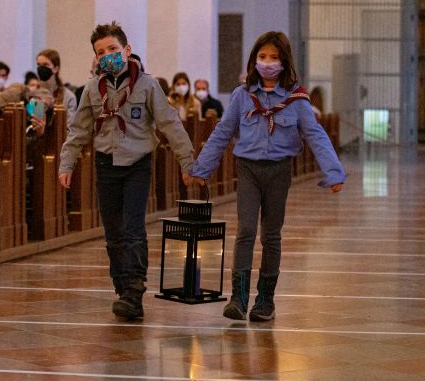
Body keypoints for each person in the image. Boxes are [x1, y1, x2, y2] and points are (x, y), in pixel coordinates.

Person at [189, 31, 346, 322]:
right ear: (254, 60)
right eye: (262, 57)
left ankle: (265, 300)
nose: (267, 63)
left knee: (271, 235)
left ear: (284, 62)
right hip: (247, 169)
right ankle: (238, 298)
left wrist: (334, 171)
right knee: (246, 229)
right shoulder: (242, 96)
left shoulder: (297, 100)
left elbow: (315, 135)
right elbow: (222, 132)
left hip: (278, 171)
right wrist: (202, 169)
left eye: (274, 58)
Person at [58, 22, 195, 320]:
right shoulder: (93, 88)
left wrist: (188, 162)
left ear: (127, 50)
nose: (108, 56)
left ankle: (135, 291)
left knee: (133, 229)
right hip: (106, 164)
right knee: (113, 233)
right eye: (101, 52)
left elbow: (169, 123)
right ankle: (121, 287)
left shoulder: (147, 85)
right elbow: (79, 129)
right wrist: (66, 163)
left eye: (113, 49)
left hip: (137, 164)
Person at [35, 49, 77, 115]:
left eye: (46, 64)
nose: (41, 68)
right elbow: (34, 120)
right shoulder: (34, 94)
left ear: (56, 69)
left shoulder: (68, 97)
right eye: (38, 65)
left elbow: (69, 124)